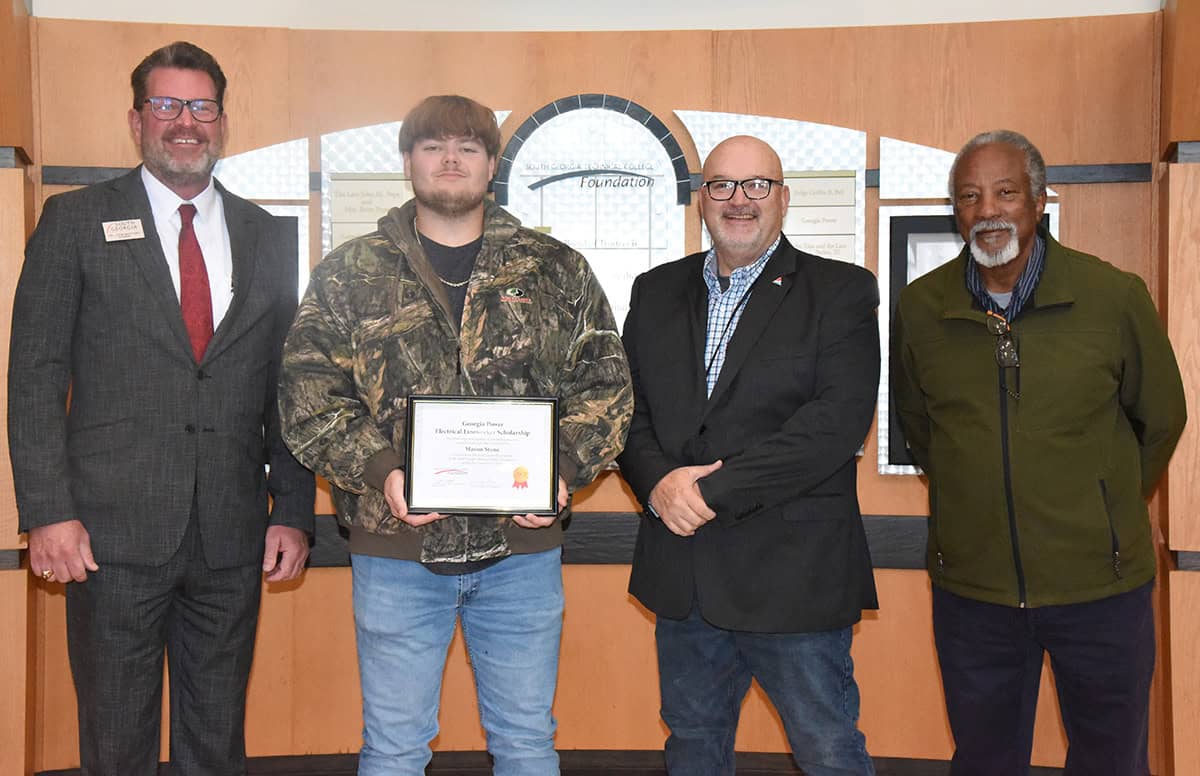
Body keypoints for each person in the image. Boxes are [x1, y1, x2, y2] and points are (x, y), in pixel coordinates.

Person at [277, 94, 632, 776]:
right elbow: (309, 392)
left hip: (522, 553)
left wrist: (560, 469)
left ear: (491, 165)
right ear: (408, 161)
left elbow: (605, 387)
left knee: (527, 742)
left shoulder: (554, 269)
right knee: (394, 748)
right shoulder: (350, 272)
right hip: (398, 554)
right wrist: (382, 468)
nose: (450, 159)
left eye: (467, 147)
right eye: (433, 146)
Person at [8, 41, 315, 775]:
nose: (186, 122)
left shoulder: (268, 235)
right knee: (117, 740)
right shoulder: (75, 221)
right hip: (108, 536)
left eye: (201, 106)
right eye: (167, 105)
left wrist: (293, 508)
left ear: (222, 121)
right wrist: (47, 510)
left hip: (232, 535)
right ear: (137, 119)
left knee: (216, 738)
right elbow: (34, 378)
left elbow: (288, 384)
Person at [891, 129, 1187, 775]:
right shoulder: (922, 307)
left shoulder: (1113, 296)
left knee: (1111, 759)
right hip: (975, 593)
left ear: (1038, 202)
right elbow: (919, 428)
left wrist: (1100, 508)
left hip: (1100, 587)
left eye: (1005, 192)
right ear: (955, 212)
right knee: (986, 761)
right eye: (969, 196)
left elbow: (1161, 418)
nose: (988, 209)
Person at [617, 134, 879, 776]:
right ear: (700, 200)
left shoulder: (841, 292)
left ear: (783, 198)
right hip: (686, 579)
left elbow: (831, 428)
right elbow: (625, 410)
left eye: (757, 185)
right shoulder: (655, 292)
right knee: (693, 747)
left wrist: (703, 494)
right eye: (722, 186)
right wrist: (656, 486)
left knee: (828, 751)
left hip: (794, 581)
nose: (739, 200)